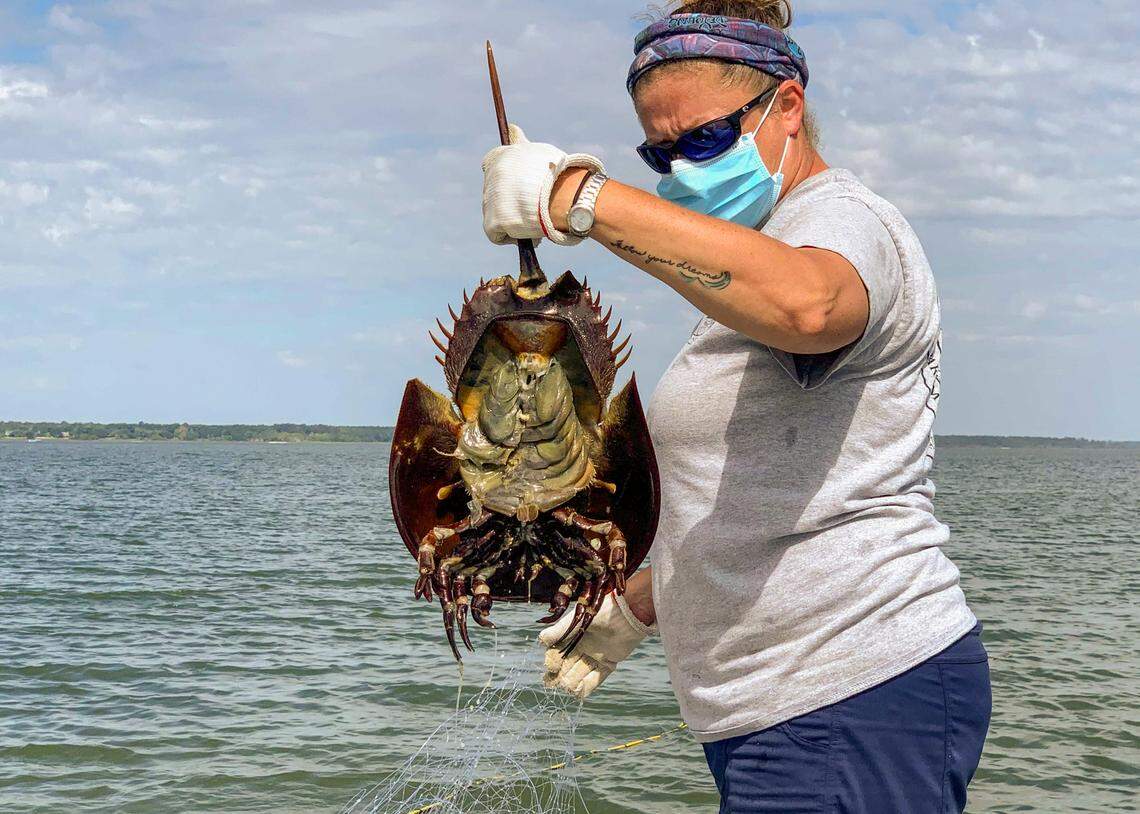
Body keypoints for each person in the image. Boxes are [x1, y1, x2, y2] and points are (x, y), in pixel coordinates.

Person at [480, 1, 991, 811]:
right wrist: (646, 601)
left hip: (849, 690)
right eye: (661, 150)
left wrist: (579, 195)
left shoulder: (841, 223)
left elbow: (812, 308)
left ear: (787, 106)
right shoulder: (759, 248)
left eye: (707, 138)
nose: (684, 168)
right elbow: (767, 486)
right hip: (773, 711)